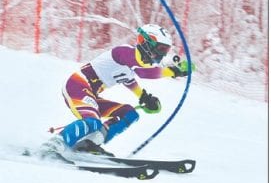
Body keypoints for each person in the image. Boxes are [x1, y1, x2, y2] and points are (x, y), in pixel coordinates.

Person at [41, 24, 193, 157]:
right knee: (93, 121)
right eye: (161, 48)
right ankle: (55, 144)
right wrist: (173, 71)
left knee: (130, 113)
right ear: (146, 42)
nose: (163, 54)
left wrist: (144, 97)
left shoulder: (135, 65)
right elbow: (143, 73)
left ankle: (89, 144)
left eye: (166, 50)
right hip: (77, 85)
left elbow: (129, 79)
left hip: (91, 94)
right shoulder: (125, 52)